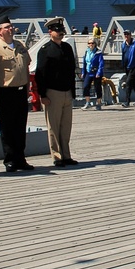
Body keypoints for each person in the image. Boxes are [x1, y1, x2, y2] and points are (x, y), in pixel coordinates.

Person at [0, 16, 34, 173]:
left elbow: (26, 67)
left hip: (20, 91)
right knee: (7, 128)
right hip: (5, 92)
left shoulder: (20, 46)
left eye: (11, 26)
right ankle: (10, 160)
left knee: (20, 126)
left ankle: (21, 158)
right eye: (6, 27)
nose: (10, 29)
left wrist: (27, 88)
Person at [35, 17, 78, 168]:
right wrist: (43, 95)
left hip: (67, 92)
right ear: (50, 32)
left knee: (66, 127)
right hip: (53, 93)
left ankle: (67, 155)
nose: (60, 33)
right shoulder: (45, 50)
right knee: (54, 126)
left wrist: (72, 92)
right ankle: (57, 156)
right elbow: (40, 74)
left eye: (62, 31)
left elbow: (71, 71)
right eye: (57, 31)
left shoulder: (67, 48)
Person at [81, 38, 105, 110]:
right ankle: (88, 102)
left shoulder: (98, 53)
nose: (91, 44)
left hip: (96, 72)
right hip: (88, 72)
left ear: (95, 44)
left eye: (92, 43)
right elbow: (84, 63)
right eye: (89, 43)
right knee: (85, 86)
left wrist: (99, 72)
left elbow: (101, 63)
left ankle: (98, 103)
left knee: (97, 88)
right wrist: (83, 72)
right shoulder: (86, 52)